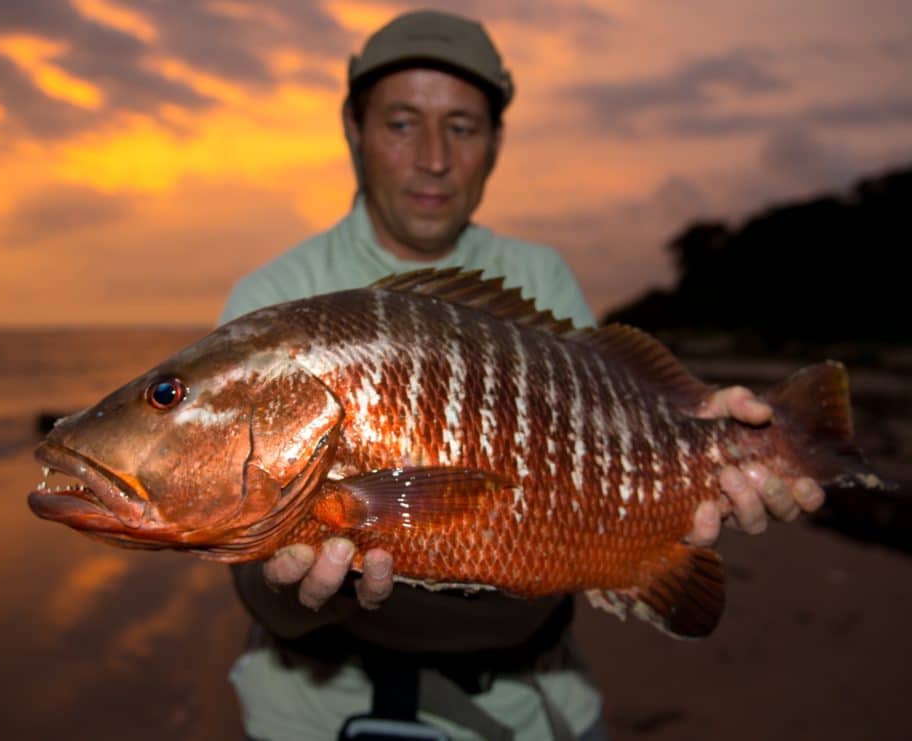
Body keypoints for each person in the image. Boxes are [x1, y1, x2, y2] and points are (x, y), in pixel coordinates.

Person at [219, 10, 825, 740]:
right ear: (353, 127)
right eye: (402, 123)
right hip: (315, 712)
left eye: (464, 127)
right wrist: (317, 583)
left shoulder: (542, 276)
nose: (434, 157)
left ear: (497, 144)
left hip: (529, 707)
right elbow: (260, 589)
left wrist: (712, 432)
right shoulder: (271, 303)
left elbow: (605, 439)